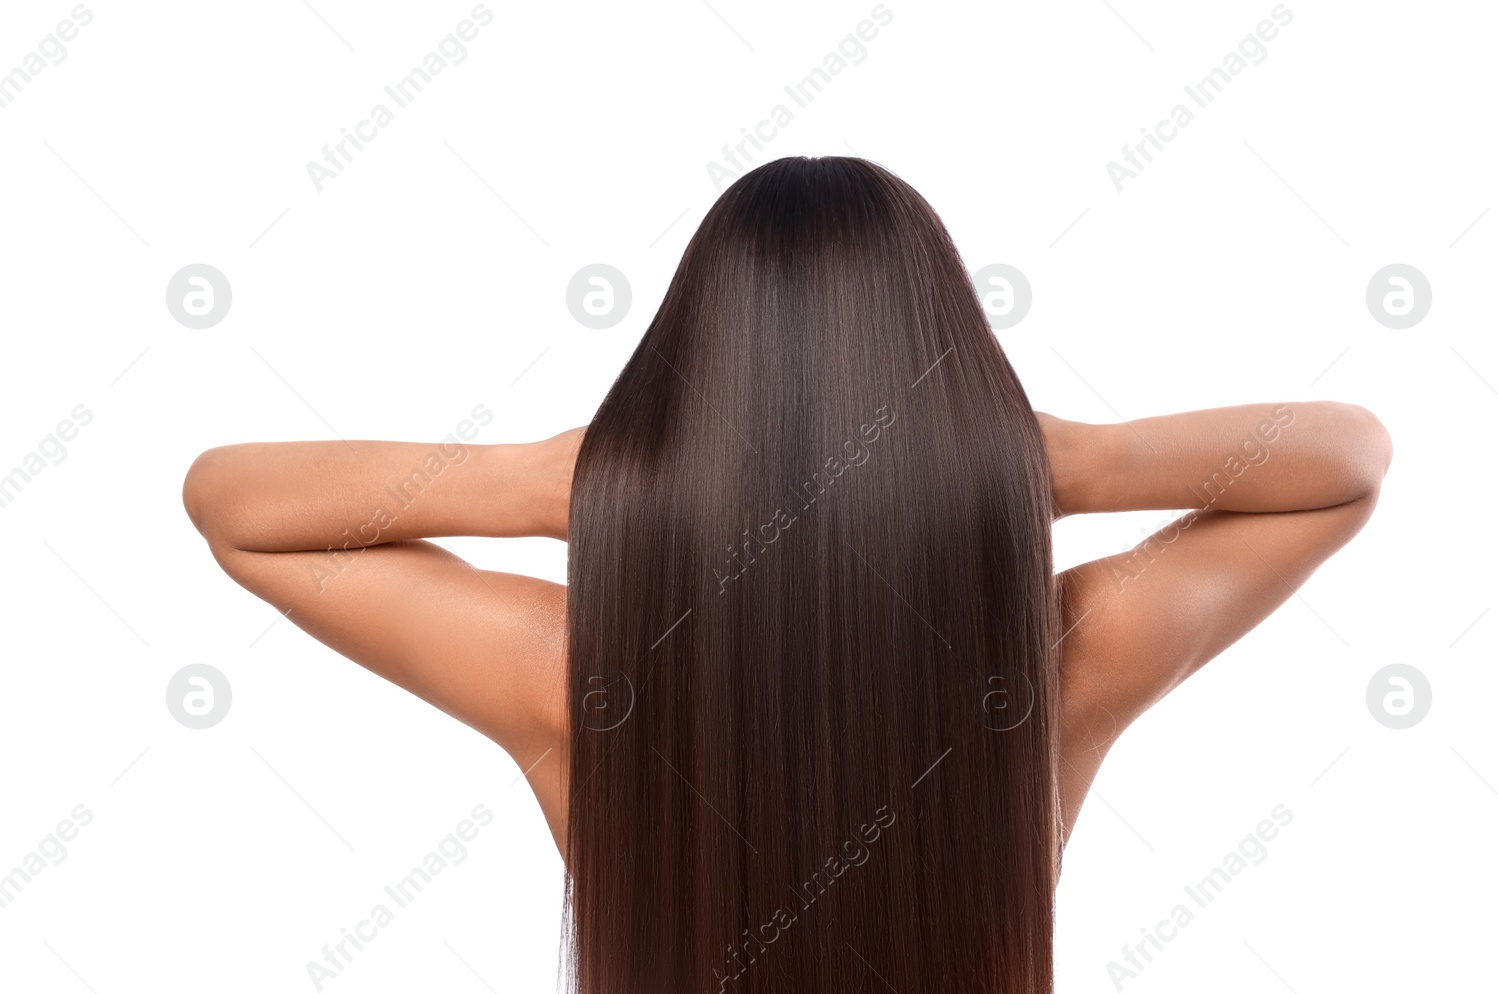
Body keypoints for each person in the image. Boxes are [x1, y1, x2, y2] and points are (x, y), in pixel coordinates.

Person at [183, 156, 1390, 993]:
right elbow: (1343, 461)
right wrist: (1056, 461)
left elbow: (239, 509)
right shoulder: (1060, 672)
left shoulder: (574, 688)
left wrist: (563, 482)